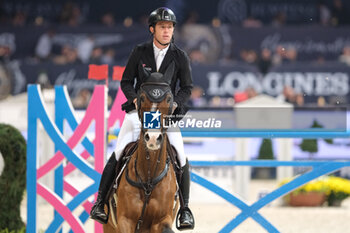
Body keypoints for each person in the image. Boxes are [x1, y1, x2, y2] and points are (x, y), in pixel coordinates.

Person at [90, 7, 195, 230]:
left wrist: (175, 103)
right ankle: (100, 203)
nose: (167, 31)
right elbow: (126, 81)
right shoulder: (139, 52)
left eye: (170, 27)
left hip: (165, 117)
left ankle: (185, 209)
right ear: (152, 29)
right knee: (119, 152)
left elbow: (187, 87)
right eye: (162, 27)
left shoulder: (180, 56)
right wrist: (135, 99)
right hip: (140, 115)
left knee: (181, 156)